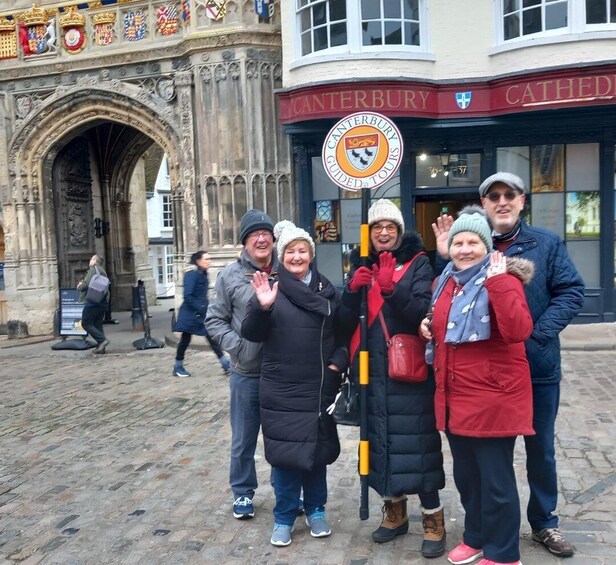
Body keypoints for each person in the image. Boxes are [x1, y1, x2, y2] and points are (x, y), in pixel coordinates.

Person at [432, 172, 584, 558]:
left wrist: (537, 334)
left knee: (540, 452)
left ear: (521, 200)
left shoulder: (544, 244)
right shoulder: (469, 251)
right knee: (482, 466)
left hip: (537, 366)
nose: (502, 201)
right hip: (483, 380)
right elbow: (449, 303)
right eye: (493, 196)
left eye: (509, 195)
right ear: (483, 205)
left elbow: (571, 292)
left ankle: (544, 523)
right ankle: (484, 533)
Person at [421, 205, 535, 565]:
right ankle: (476, 536)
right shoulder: (445, 283)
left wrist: (500, 283)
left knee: (496, 482)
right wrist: (428, 325)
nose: (465, 249)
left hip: (493, 397)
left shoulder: (504, 278)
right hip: (455, 396)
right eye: (459, 242)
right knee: (467, 477)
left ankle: (504, 554)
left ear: (487, 246)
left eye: (473, 242)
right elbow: (442, 323)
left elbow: (519, 330)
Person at [338, 199, 446, 557]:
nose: (384, 232)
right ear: (369, 232)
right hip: (370, 372)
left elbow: (422, 311)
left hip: (408, 371)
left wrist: (390, 289)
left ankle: (433, 519)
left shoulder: (419, 264)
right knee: (381, 443)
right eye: (377, 226)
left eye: (391, 227)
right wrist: (353, 291)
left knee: (417, 446)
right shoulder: (359, 264)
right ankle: (394, 513)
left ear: (400, 232)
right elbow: (342, 323)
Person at [241, 223, 347, 547]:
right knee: (286, 459)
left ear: (311, 255)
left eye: (302, 250)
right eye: (290, 251)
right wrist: (263, 307)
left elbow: (343, 338)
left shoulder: (328, 292)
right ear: (281, 256)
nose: (297, 256)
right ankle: (284, 517)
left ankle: (316, 511)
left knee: (316, 457)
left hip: (317, 389)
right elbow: (251, 333)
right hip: (282, 391)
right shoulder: (270, 290)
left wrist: (336, 366)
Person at [205, 209, 277, 520]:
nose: (261, 239)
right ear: (245, 242)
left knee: (282, 438)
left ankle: (285, 490)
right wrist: (239, 349)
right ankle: (243, 493)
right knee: (244, 439)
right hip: (247, 373)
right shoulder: (230, 276)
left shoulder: (286, 270)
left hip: (281, 373)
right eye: (253, 235)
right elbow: (214, 320)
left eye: (266, 234)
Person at [172, 250, 231, 377]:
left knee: (210, 337)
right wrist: (202, 309)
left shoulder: (203, 273)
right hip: (191, 314)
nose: (209, 261)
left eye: (209, 259)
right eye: (207, 259)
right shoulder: (192, 274)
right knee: (185, 340)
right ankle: (178, 366)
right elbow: (188, 295)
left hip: (199, 313)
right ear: (199, 261)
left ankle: (225, 364)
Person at [77, 254, 110, 354]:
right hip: (102, 301)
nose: (90, 261)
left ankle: (102, 341)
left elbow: (85, 285)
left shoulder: (93, 269)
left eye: (91, 259)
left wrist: (79, 286)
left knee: (86, 323)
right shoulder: (102, 271)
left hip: (92, 301)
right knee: (97, 324)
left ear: (95, 261)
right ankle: (101, 348)